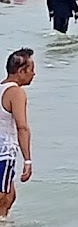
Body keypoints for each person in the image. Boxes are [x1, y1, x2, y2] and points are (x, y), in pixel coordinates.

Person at [0, 48, 34, 218]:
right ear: (21, 71)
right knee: (4, 198)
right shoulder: (16, 92)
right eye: (31, 70)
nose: (34, 74)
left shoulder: (1, 88)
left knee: (10, 195)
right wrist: (27, 160)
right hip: (4, 153)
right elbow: (22, 127)